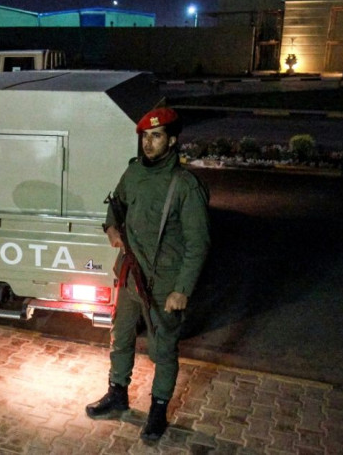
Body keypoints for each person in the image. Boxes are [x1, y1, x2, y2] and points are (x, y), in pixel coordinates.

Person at [86, 106, 210, 442]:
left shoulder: (185, 186)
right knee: (121, 336)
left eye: (156, 136)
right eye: (145, 137)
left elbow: (198, 244)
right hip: (129, 276)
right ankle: (117, 394)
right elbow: (116, 204)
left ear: (171, 140)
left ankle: (157, 411)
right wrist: (112, 228)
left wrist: (182, 289)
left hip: (164, 285)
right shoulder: (134, 173)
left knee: (163, 349)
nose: (149, 143)